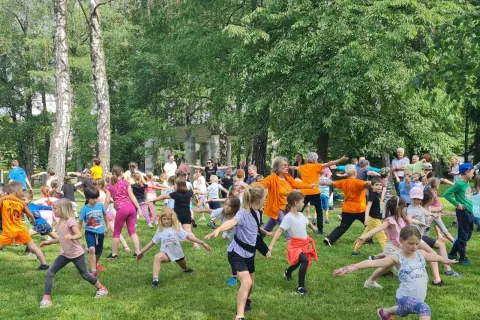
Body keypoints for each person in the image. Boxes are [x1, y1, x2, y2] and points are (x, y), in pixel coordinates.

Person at [334, 226, 457, 320]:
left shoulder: (421, 254)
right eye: (410, 243)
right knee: (424, 308)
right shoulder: (397, 258)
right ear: (401, 241)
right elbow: (372, 263)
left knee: (403, 312)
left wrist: (447, 261)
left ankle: (384, 312)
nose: (414, 247)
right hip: (404, 297)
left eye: (416, 243)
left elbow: (435, 257)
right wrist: (352, 267)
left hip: (418, 297)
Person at [205, 185, 270, 320]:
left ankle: (247, 300)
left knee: (250, 284)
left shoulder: (258, 212)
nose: (266, 200)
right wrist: (219, 229)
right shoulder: (243, 213)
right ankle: (239, 316)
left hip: (250, 254)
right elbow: (232, 222)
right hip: (237, 253)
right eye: (265, 198)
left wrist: (265, 250)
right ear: (258, 200)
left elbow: (254, 234)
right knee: (246, 282)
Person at [39, 199, 108, 308]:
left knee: (85, 275)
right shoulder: (61, 221)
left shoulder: (70, 221)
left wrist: (72, 237)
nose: (53, 210)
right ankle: (47, 298)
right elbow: (61, 238)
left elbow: (79, 234)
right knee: (50, 272)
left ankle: (101, 289)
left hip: (76, 254)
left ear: (63, 209)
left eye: (55, 208)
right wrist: (49, 242)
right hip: (65, 254)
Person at [136, 208, 210, 288]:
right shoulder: (160, 229)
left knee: (184, 266)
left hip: (178, 254)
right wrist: (142, 252)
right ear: (161, 219)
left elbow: (189, 237)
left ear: (173, 219)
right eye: (164, 219)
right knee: (157, 257)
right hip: (166, 253)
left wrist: (202, 243)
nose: (166, 221)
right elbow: (152, 242)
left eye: (168, 219)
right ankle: (155, 281)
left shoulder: (177, 228)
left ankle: (186, 269)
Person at [267, 191, 318, 295]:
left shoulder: (300, 214)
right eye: (302, 202)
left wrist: (313, 228)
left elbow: (307, 222)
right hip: (295, 246)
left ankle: (288, 271)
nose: (304, 204)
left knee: (297, 263)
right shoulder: (288, 218)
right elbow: (278, 232)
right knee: (304, 261)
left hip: (304, 244)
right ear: (296, 203)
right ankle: (300, 288)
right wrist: (271, 247)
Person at [255, 156, 315, 240]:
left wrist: (309, 186)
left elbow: (296, 184)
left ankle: (255, 239)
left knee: (266, 229)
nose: (287, 167)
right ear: (278, 166)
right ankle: (293, 250)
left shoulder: (288, 177)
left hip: (287, 208)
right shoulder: (272, 178)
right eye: (284, 165)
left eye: (287, 165)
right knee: (289, 230)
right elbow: (261, 184)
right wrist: (247, 186)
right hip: (278, 209)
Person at [293, 153, 348, 235]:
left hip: (305, 192)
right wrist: (340, 160)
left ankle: (293, 228)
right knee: (319, 211)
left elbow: (295, 167)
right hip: (315, 192)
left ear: (307, 159)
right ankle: (320, 231)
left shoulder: (302, 167)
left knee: (298, 211)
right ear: (315, 160)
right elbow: (330, 163)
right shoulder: (317, 166)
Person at [0, 182, 49, 270]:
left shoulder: (3, 200)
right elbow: (30, 214)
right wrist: (33, 221)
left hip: (9, 230)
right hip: (21, 229)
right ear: (17, 192)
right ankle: (44, 264)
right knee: (33, 247)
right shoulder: (21, 203)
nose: (23, 192)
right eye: (22, 190)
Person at [320, 164, 371, 246]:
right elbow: (368, 183)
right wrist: (378, 182)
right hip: (360, 209)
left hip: (347, 209)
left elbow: (332, 183)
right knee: (368, 225)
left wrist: (323, 182)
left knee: (342, 227)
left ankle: (329, 238)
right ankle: (369, 240)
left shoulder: (343, 182)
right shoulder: (359, 182)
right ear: (355, 172)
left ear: (347, 174)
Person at [148, 176, 201, 249]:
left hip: (177, 215)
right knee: (188, 231)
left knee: (174, 230)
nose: (174, 186)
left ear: (178, 185)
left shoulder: (175, 194)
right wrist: (202, 192)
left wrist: (152, 200)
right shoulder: (189, 193)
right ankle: (196, 244)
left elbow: (163, 196)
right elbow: (196, 191)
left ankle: (172, 245)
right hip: (187, 215)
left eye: (175, 184)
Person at [104, 165, 142, 259]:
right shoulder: (126, 183)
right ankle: (137, 252)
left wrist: (104, 211)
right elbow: (132, 196)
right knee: (132, 230)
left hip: (122, 209)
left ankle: (114, 254)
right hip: (131, 208)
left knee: (116, 232)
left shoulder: (109, 185)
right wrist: (139, 209)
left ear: (113, 173)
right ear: (121, 173)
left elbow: (107, 200)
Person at [444, 163, 475, 265]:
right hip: (463, 212)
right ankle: (462, 257)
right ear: (466, 172)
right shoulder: (459, 183)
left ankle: (453, 253)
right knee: (463, 235)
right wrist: (457, 204)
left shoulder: (466, 182)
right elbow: (446, 194)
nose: (473, 173)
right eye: (472, 172)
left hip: (469, 212)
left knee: (468, 233)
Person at [352, 177, 387, 255]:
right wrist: (365, 219)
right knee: (382, 237)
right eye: (376, 185)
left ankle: (355, 251)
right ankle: (388, 255)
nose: (379, 186)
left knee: (365, 236)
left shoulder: (377, 194)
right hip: (374, 219)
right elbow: (368, 207)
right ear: (372, 186)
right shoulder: (372, 195)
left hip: (374, 219)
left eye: (380, 185)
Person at [78, 186, 108, 277]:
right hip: (89, 232)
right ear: (87, 198)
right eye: (92, 198)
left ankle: (94, 264)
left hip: (100, 232)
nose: (95, 200)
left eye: (96, 198)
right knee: (91, 249)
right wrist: (77, 233)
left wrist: (108, 227)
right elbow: (80, 222)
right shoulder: (84, 209)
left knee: (98, 251)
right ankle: (93, 271)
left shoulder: (100, 205)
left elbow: (105, 215)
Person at [97, 178, 130, 252]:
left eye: (94, 185)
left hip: (101, 214)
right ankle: (126, 246)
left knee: (93, 230)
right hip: (108, 213)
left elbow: (105, 202)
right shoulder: (104, 192)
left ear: (99, 186)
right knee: (115, 231)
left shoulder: (98, 194)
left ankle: (88, 246)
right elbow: (109, 200)